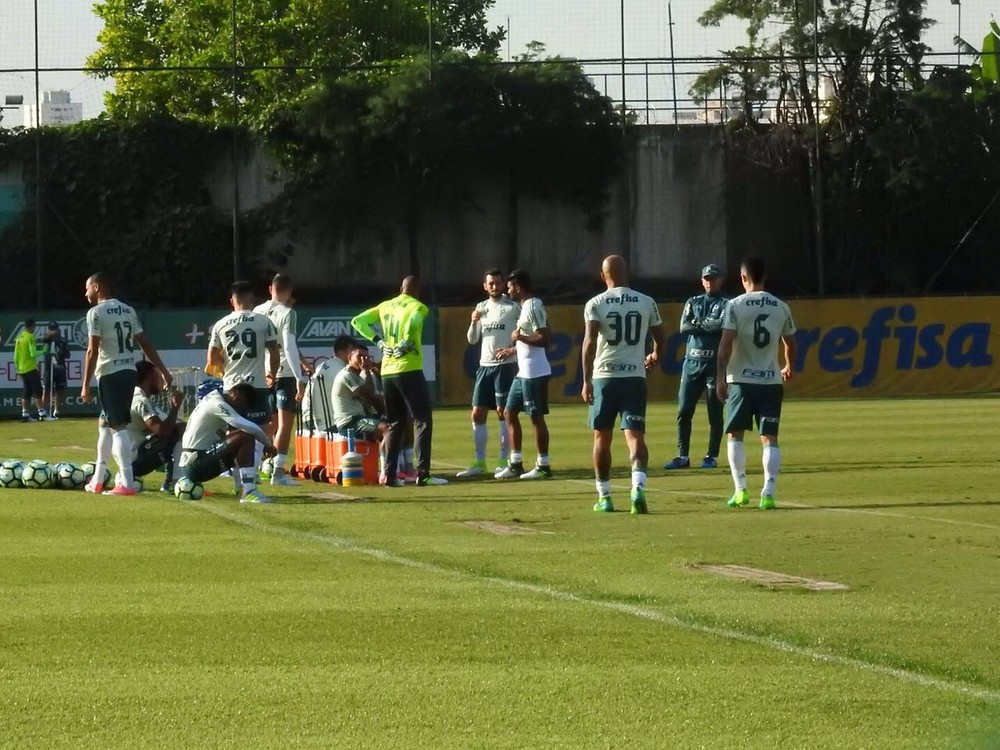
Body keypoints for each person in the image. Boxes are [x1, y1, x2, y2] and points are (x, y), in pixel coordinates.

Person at [581, 255, 665, 513]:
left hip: (605, 376)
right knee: (635, 437)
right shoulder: (646, 301)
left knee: (601, 438)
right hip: (634, 377)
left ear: (603, 274)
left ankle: (604, 497)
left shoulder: (596, 303)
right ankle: (637, 488)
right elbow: (660, 337)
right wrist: (654, 357)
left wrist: (585, 380)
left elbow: (589, 343)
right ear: (626, 272)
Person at [716, 256, 797, 510]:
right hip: (770, 382)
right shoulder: (781, 307)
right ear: (765, 277)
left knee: (734, 435)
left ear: (743, 278)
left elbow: (725, 345)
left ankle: (741, 490)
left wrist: (720, 378)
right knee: (770, 438)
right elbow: (791, 344)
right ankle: (768, 492)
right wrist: (789, 366)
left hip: (741, 381)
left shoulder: (734, 305)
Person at [351, 276, 448, 487]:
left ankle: (390, 475)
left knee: (395, 423)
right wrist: (405, 339)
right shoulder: (419, 306)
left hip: (388, 371)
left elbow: (357, 321)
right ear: (418, 290)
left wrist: (379, 342)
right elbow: (414, 321)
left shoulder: (386, 305)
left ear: (400, 289)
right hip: (409, 368)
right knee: (422, 420)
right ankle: (423, 474)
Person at [81, 272, 172, 495]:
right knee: (104, 423)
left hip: (110, 372)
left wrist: (85, 384)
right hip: (128, 370)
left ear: (97, 286)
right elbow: (145, 343)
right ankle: (99, 478)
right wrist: (163, 371)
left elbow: (93, 350)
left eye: (87, 288)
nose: (85, 293)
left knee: (117, 426)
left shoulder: (95, 313)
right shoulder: (128, 310)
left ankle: (127, 482)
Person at [207, 280, 280, 497]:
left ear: (232, 301)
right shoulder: (263, 321)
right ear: (251, 299)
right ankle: (251, 479)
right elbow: (274, 352)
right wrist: (272, 374)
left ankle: (240, 482)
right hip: (256, 385)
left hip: (232, 388)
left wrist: (225, 373)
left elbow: (211, 358)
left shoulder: (221, 324)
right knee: (261, 431)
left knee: (236, 434)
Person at [663, 264, 730, 470]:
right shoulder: (693, 301)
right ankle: (683, 456)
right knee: (684, 410)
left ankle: (711, 456)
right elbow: (685, 326)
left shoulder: (726, 303)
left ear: (720, 280)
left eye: (713, 278)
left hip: (713, 364)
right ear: (702, 281)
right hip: (691, 363)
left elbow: (721, 325)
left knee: (714, 412)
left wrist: (699, 325)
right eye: (706, 278)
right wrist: (706, 325)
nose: (710, 282)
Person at [456, 268, 521, 478]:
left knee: (503, 413)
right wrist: (474, 321)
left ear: (503, 285)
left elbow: (525, 333)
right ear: (485, 286)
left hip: (505, 366)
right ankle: (479, 462)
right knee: (477, 413)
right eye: (490, 283)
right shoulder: (481, 307)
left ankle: (503, 461)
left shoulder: (512, 307)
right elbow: (472, 339)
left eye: (497, 283)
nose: (494, 287)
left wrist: (513, 350)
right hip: (485, 366)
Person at [494, 269, 553, 480]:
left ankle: (543, 465)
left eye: (509, 286)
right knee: (509, 412)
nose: (507, 290)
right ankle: (516, 463)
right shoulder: (524, 307)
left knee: (536, 418)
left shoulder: (534, 305)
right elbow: (528, 338)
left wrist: (520, 337)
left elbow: (545, 339)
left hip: (535, 372)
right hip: (523, 372)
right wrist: (513, 348)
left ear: (518, 287)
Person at [177, 382, 277, 503]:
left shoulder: (212, 400)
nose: (241, 411)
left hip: (195, 461)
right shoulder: (216, 403)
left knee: (237, 440)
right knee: (245, 437)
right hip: (196, 463)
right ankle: (249, 491)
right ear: (237, 395)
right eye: (242, 406)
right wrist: (268, 445)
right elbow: (248, 426)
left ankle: (241, 487)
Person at [254, 274, 309, 485]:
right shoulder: (288, 313)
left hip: (262, 373)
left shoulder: (257, 311)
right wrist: (299, 377)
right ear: (289, 290)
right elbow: (288, 346)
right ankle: (277, 472)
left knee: (266, 423)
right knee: (285, 424)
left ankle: (255, 466)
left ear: (271, 289)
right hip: (284, 372)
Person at [127, 360, 185, 492]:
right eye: (158, 375)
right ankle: (173, 481)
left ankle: (175, 478)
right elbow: (162, 430)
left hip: (137, 454)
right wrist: (175, 407)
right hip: (136, 459)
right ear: (149, 376)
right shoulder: (139, 399)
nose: (161, 379)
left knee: (180, 428)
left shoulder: (141, 397)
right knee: (178, 431)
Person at [331, 344, 390, 473]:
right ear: (349, 358)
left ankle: (397, 467)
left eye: (366, 356)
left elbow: (370, 400)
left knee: (396, 424)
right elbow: (369, 395)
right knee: (386, 429)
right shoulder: (347, 375)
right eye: (360, 356)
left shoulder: (357, 375)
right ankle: (387, 472)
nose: (364, 359)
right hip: (350, 422)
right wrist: (367, 371)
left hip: (360, 418)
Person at [301, 334, 356, 433]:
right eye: (355, 351)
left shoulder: (322, 366)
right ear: (349, 350)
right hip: (332, 424)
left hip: (312, 421)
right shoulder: (342, 371)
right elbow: (361, 396)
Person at [14, 319, 44, 422]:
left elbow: (15, 357)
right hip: (31, 368)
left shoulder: (19, 338)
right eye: (34, 327)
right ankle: (42, 413)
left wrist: (18, 369)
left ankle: (25, 414)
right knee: (38, 391)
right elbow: (33, 353)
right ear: (32, 326)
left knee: (26, 392)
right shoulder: (30, 337)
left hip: (22, 370)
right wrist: (44, 350)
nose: (34, 329)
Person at [42, 322, 70, 420]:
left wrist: (62, 352)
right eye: (51, 329)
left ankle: (56, 411)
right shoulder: (46, 339)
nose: (54, 331)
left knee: (60, 390)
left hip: (60, 368)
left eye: (55, 329)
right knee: (46, 390)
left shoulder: (62, 340)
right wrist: (51, 336)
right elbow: (44, 342)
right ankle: (43, 412)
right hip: (48, 369)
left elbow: (68, 354)